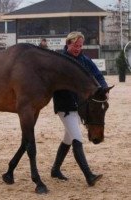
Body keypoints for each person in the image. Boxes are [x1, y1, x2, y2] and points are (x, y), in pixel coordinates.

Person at [51, 31, 108, 186]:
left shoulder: (85, 59)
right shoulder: (60, 60)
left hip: (80, 107)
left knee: (68, 139)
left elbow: (98, 75)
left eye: (80, 46)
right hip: (65, 107)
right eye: (75, 45)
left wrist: (104, 89)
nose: (78, 48)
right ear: (68, 43)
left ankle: (55, 170)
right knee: (77, 138)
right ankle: (89, 176)